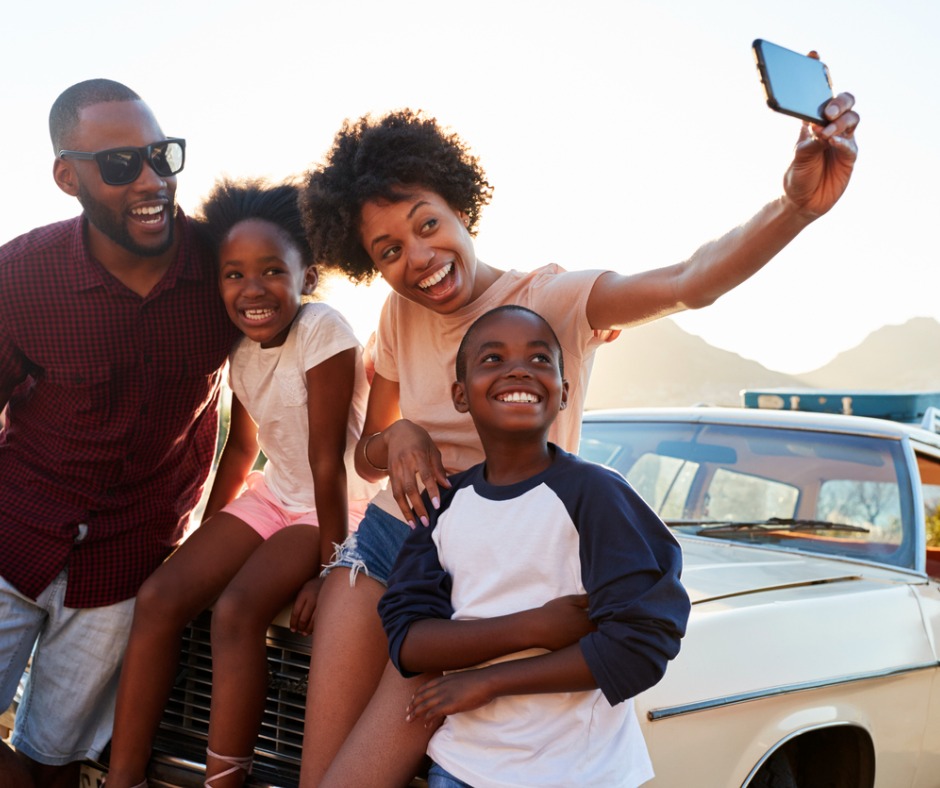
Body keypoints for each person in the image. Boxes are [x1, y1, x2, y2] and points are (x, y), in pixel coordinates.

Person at [297, 97, 858, 786]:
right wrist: (402, 434)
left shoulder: (549, 300)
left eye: (428, 225)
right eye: (389, 251)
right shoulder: (397, 311)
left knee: (358, 775)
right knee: (316, 772)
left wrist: (795, 208)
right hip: (384, 542)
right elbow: (368, 450)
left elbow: (691, 282)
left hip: (478, 578)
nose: (418, 258)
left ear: (460, 208)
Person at [0, 80, 240, 788]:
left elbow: (259, 417)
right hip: (12, 537)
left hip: (129, 559)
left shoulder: (226, 272)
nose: (151, 180)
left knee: (58, 761)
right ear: (67, 176)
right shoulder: (18, 276)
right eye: (120, 165)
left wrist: (211, 541)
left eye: (162, 156)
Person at [104, 178, 381, 788]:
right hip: (274, 494)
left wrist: (332, 569)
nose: (252, 288)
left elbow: (328, 460)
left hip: (333, 507)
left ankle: (222, 780)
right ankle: (123, 778)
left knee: (235, 613)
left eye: (270, 271)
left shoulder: (324, 331)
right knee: (159, 597)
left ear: (306, 275)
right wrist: (207, 539)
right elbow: (244, 445)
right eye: (233, 274)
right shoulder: (240, 345)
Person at [378, 305, 689, 787]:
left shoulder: (597, 495)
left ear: (564, 393)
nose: (519, 369)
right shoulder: (443, 505)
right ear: (461, 395)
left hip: (579, 773)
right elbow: (408, 639)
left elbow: (643, 644)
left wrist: (489, 680)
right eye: (493, 359)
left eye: (540, 359)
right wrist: (533, 626)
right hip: (462, 767)